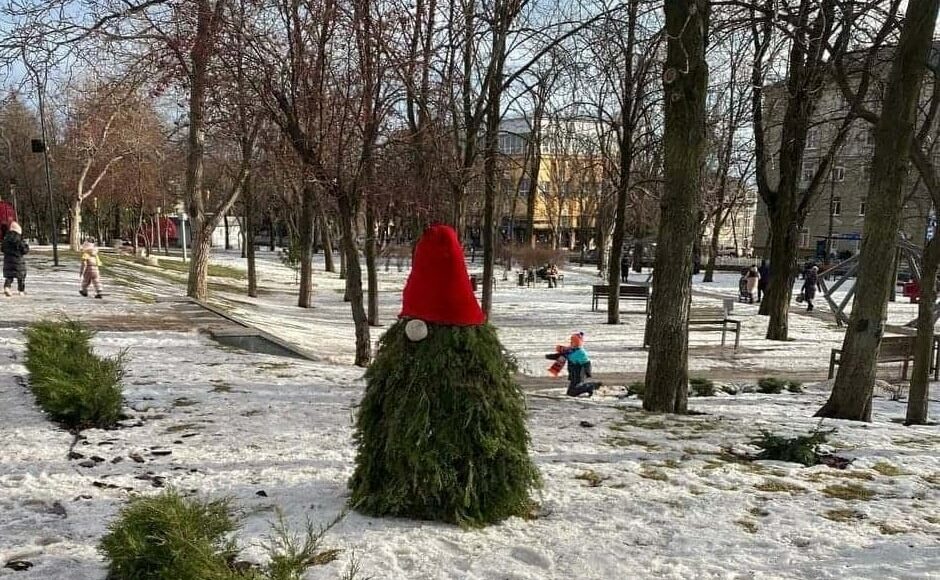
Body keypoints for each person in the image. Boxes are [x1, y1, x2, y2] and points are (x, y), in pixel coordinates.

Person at [2, 221, 28, 296]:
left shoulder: (6, 239)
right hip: (18, 261)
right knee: (21, 276)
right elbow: (24, 250)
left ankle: (7, 287)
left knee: (9, 276)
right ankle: (21, 290)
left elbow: (3, 249)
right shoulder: (19, 240)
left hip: (8, 261)